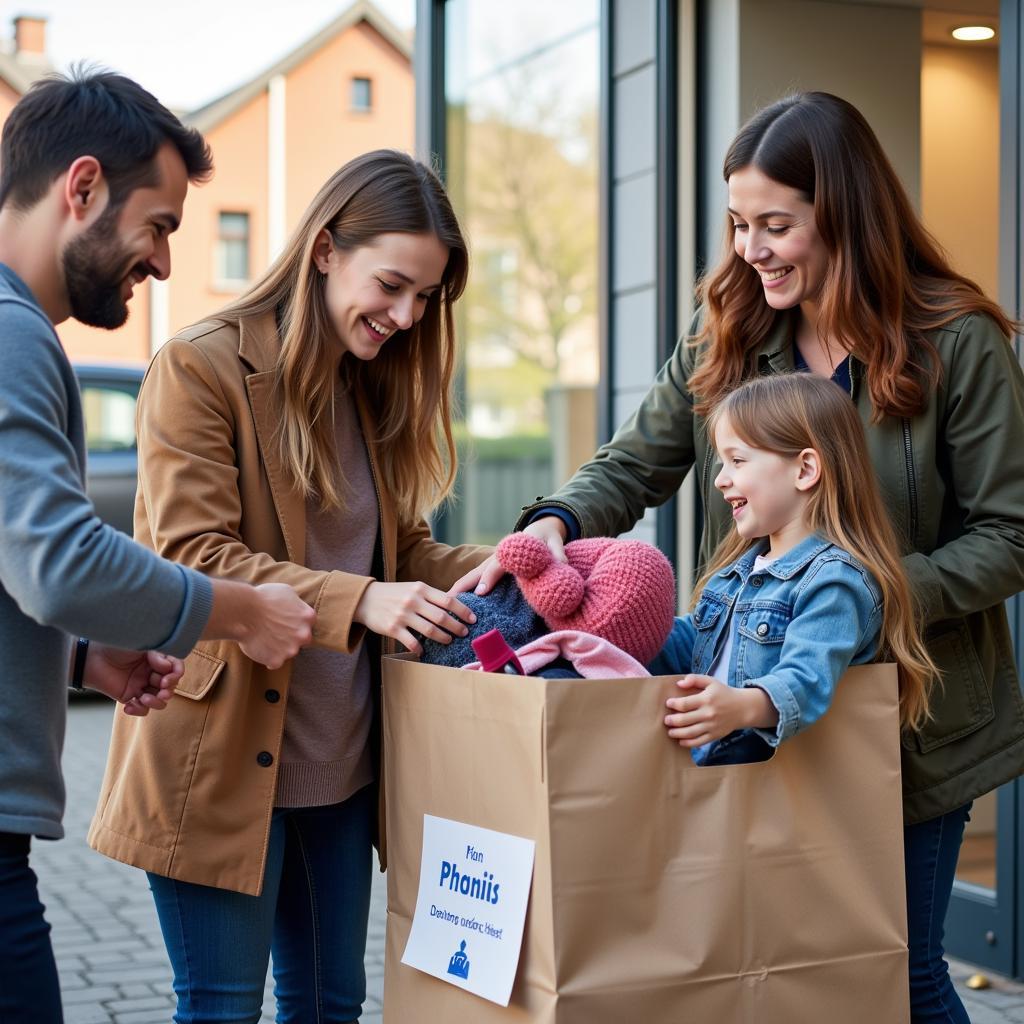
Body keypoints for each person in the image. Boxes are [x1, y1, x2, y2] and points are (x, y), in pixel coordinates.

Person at [456, 91, 1024, 1022]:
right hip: (757, 714)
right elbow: (635, 462)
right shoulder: (729, 324)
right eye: (737, 223)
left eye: (775, 225)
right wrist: (554, 524)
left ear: (844, 219)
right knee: (797, 966)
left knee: (905, 975)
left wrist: (850, 601)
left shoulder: (957, 343)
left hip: (913, 721)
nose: (750, 249)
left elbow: (1012, 535)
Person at [88, 149, 492, 1024]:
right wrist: (360, 600)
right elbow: (195, 556)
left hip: (341, 769)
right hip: (219, 759)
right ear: (323, 250)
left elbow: (402, 552)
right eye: (391, 285)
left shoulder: (374, 385)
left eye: (424, 299)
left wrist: (519, 562)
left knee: (329, 1009)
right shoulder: (200, 367)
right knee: (222, 1010)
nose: (405, 316)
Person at [0, 70, 316, 1024]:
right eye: (163, 225)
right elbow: (57, 559)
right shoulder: (12, 337)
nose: (167, 265)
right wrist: (238, 608)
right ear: (82, 187)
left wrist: (85, 653)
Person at [649, 373, 933, 765]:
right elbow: (691, 642)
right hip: (720, 782)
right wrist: (620, 630)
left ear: (804, 470)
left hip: (779, 791)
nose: (720, 479)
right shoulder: (735, 574)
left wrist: (742, 706)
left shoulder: (834, 580)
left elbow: (806, 678)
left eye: (737, 460)